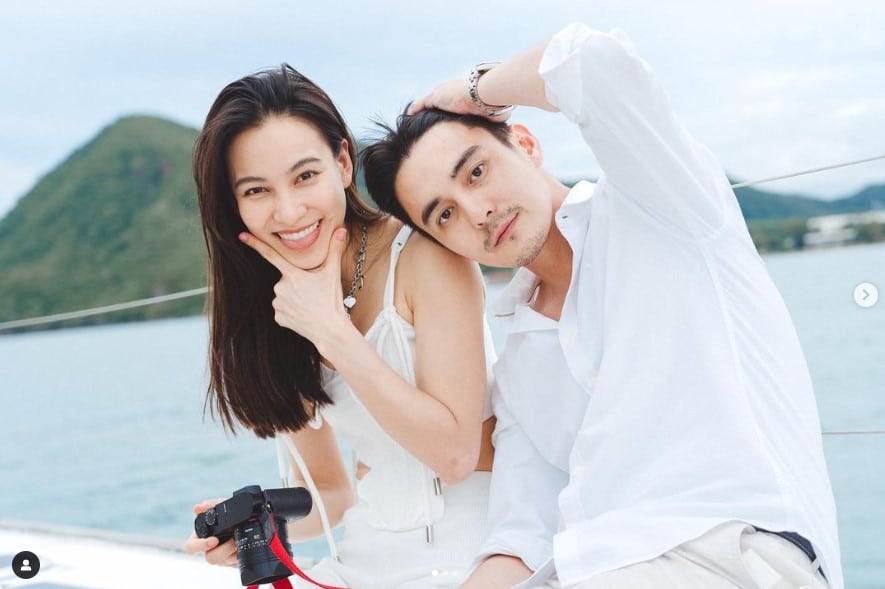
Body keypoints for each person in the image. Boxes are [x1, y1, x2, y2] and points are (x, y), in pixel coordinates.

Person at [361, 23, 843, 589]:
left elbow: (591, 62)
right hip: (600, 571)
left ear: (526, 144)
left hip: (738, 557)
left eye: (477, 171)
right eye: (444, 214)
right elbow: (519, 539)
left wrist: (475, 91)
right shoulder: (518, 370)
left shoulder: (659, 207)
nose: (477, 211)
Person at [183, 64, 498, 589]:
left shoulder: (424, 255)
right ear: (234, 205)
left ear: (343, 163)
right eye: (257, 191)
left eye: (305, 176)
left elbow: (456, 454)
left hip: (479, 550)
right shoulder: (278, 305)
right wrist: (260, 527)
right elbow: (331, 493)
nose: (289, 211)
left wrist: (329, 330)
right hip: (364, 559)